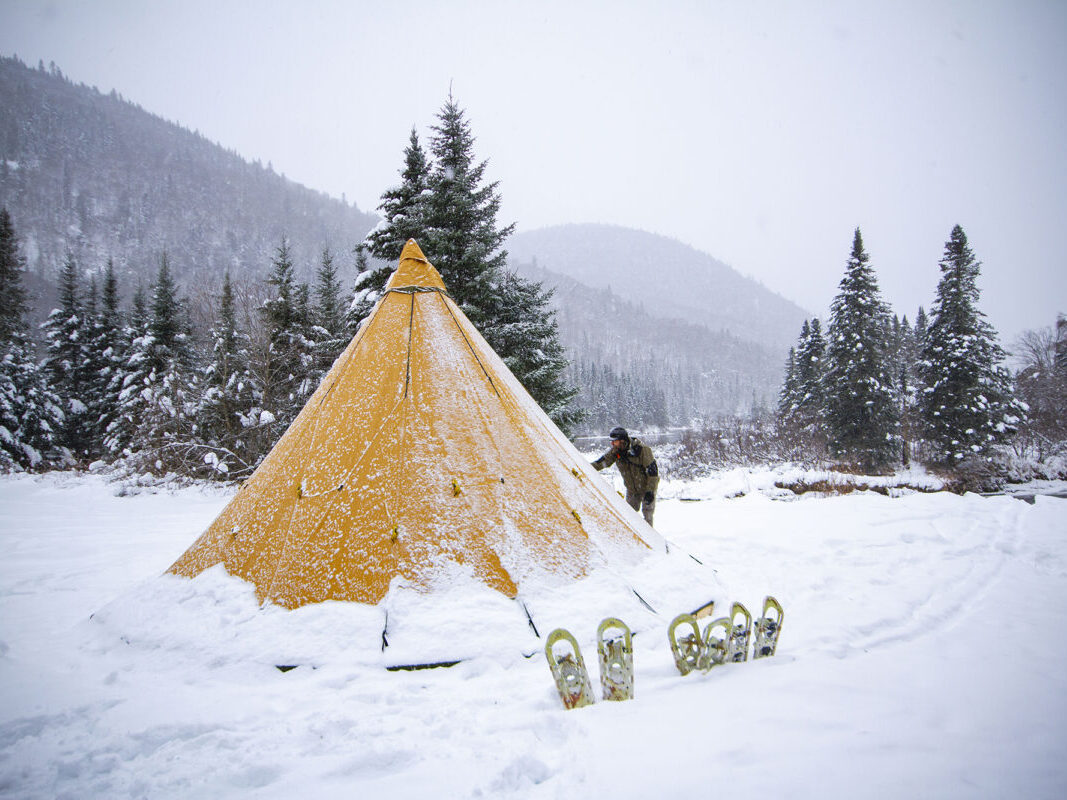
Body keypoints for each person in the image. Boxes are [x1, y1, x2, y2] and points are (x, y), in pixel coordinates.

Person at [591, 426, 659, 525]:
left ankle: (649, 539)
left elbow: (653, 472)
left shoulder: (642, 450)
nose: (612, 443)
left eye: (615, 441)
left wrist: (650, 492)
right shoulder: (616, 451)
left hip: (646, 489)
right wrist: (583, 467)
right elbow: (602, 462)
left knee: (647, 516)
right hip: (632, 490)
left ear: (622, 441)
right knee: (629, 517)